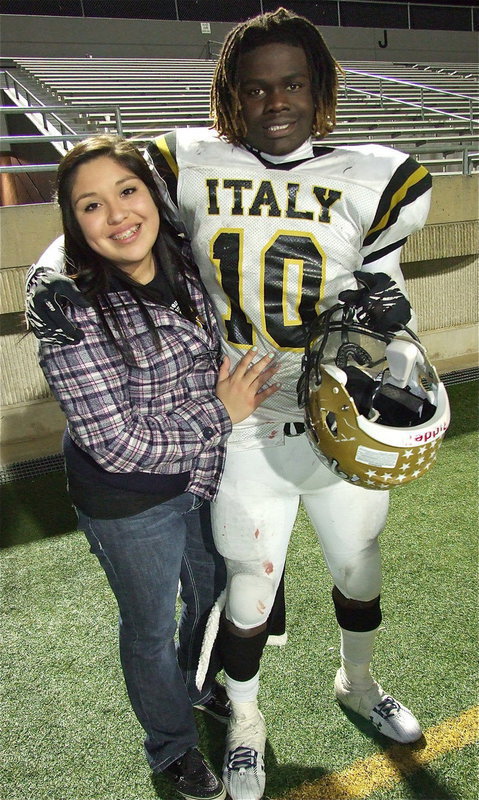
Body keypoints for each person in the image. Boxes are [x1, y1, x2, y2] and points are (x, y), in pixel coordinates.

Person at [25, 8, 433, 800]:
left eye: (291, 84)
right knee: (248, 577)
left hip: (330, 409)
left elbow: (387, 295)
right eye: (254, 88)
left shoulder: (376, 177)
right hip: (239, 416)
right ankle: (243, 717)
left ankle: (357, 682)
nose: (273, 101)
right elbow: (104, 205)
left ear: (317, 90)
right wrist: (46, 274)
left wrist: (398, 337)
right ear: (230, 97)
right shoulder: (188, 163)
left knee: (357, 563)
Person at [29, 133, 279, 800]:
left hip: (203, 475)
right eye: (90, 205)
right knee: (148, 625)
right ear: (72, 221)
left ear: (151, 193)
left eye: (126, 190)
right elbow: (116, 444)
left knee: (209, 590)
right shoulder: (66, 298)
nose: (116, 215)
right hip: (127, 499)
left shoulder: (187, 250)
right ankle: (169, 748)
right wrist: (220, 415)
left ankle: (197, 684)